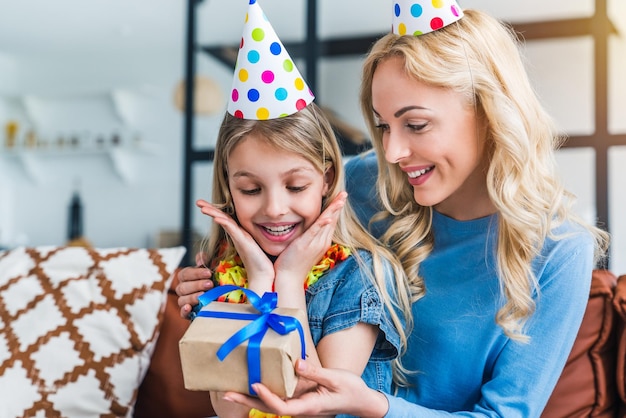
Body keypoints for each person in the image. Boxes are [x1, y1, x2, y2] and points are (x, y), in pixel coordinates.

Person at [201, 2, 609, 417]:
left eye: (415, 125)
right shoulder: (358, 185)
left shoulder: (559, 250)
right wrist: (205, 283)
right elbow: (265, 237)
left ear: (489, 112)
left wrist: (375, 407)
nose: (392, 152)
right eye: (383, 126)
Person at [176, 2, 412, 417]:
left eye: (296, 185)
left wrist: (286, 280)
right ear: (228, 189)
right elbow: (229, 411)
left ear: (325, 179)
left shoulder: (362, 275)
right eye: (250, 189)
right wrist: (257, 279)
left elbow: (315, 408)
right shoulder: (225, 273)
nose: (275, 208)